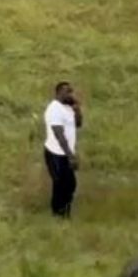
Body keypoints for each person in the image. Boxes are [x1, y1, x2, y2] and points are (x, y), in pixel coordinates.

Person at [43, 81, 83, 218]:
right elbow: (59, 135)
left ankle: (65, 212)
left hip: (65, 153)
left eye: (71, 91)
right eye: (68, 91)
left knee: (70, 184)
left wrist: (77, 110)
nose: (71, 94)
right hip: (55, 154)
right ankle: (58, 214)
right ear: (59, 93)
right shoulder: (54, 109)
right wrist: (70, 156)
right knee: (60, 184)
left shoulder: (68, 108)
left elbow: (78, 124)